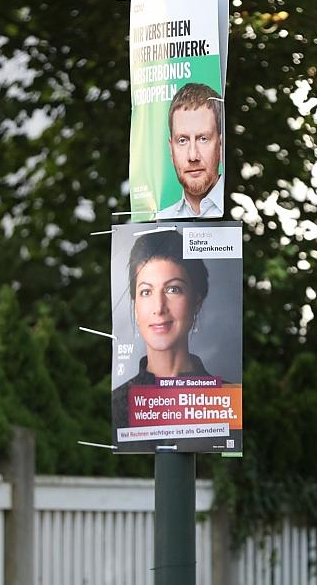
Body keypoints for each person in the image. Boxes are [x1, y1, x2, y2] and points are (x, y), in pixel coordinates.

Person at [112, 230, 216, 428]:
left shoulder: (223, 399)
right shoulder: (118, 405)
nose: (159, 308)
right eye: (146, 292)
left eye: (173, 289)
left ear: (197, 301)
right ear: (135, 306)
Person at [156, 82, 224, 219]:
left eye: (203, 139)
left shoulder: (241, 212)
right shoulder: (161, 220)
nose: (193, 156)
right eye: (182, 140)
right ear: (171, 149)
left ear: (221, 145)